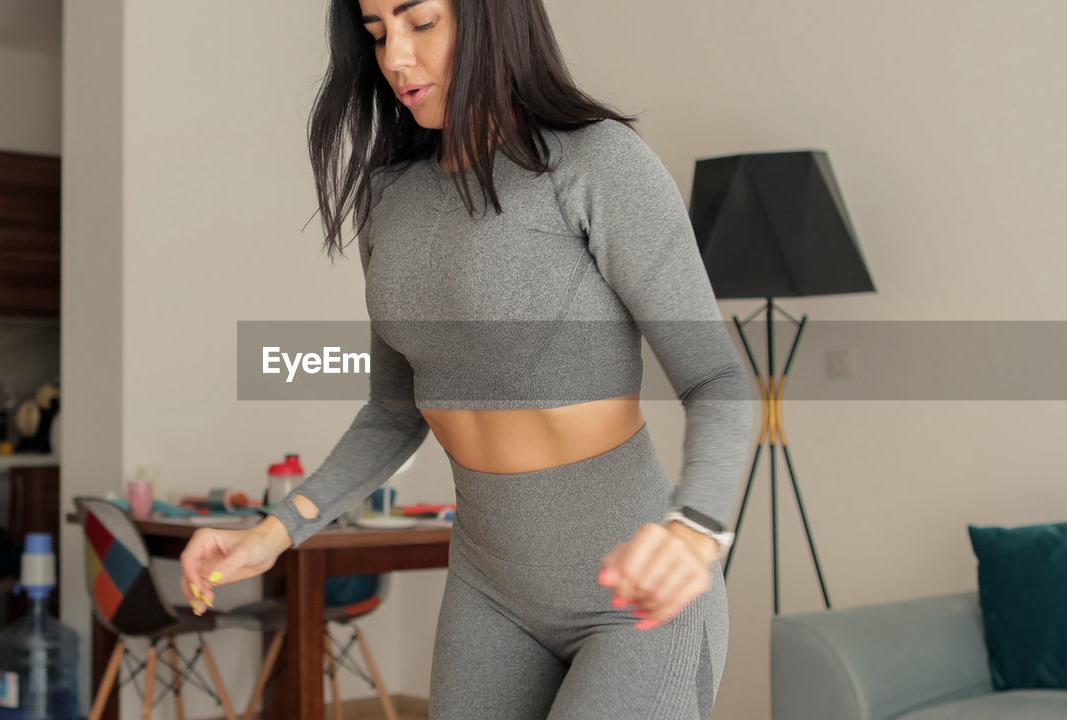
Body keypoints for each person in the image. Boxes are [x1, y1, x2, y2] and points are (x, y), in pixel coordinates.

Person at [181, 0, 754, 717]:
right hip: (488, 592)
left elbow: (717, 377)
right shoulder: (390, 196)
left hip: (630, 598)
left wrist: (695, 527)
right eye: (376, 31)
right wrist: (273, 533)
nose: (394, 57)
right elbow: (394, 410)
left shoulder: (595, 161)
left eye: (419, 22)